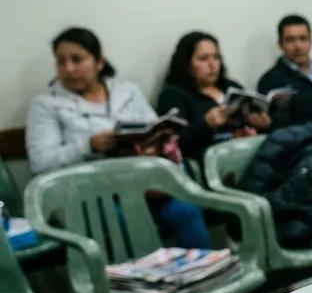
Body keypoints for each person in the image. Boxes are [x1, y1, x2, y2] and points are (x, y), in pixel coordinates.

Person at [25, 27, 212, 250]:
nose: (69, 69)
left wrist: (153, 145)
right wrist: (89, 145)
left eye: (77, 59)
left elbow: (154, 128)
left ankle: (204, 275)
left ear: (99, 62)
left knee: (187, 211)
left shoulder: (128, 92)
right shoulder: (46, 105)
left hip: (144, 186)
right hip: (92, 196)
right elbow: (40, 161)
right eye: (61, 61)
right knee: (127, 220)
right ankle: (153, 281)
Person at [158, 31, 271, 162]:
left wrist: (263, 125)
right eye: (203, 59)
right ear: (186, 63)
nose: (212, 65)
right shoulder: (174, 95)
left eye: (216, 57)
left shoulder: (231, 87)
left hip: (247, 153)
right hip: (212, 161)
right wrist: (205, 123)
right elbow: (173, 145)